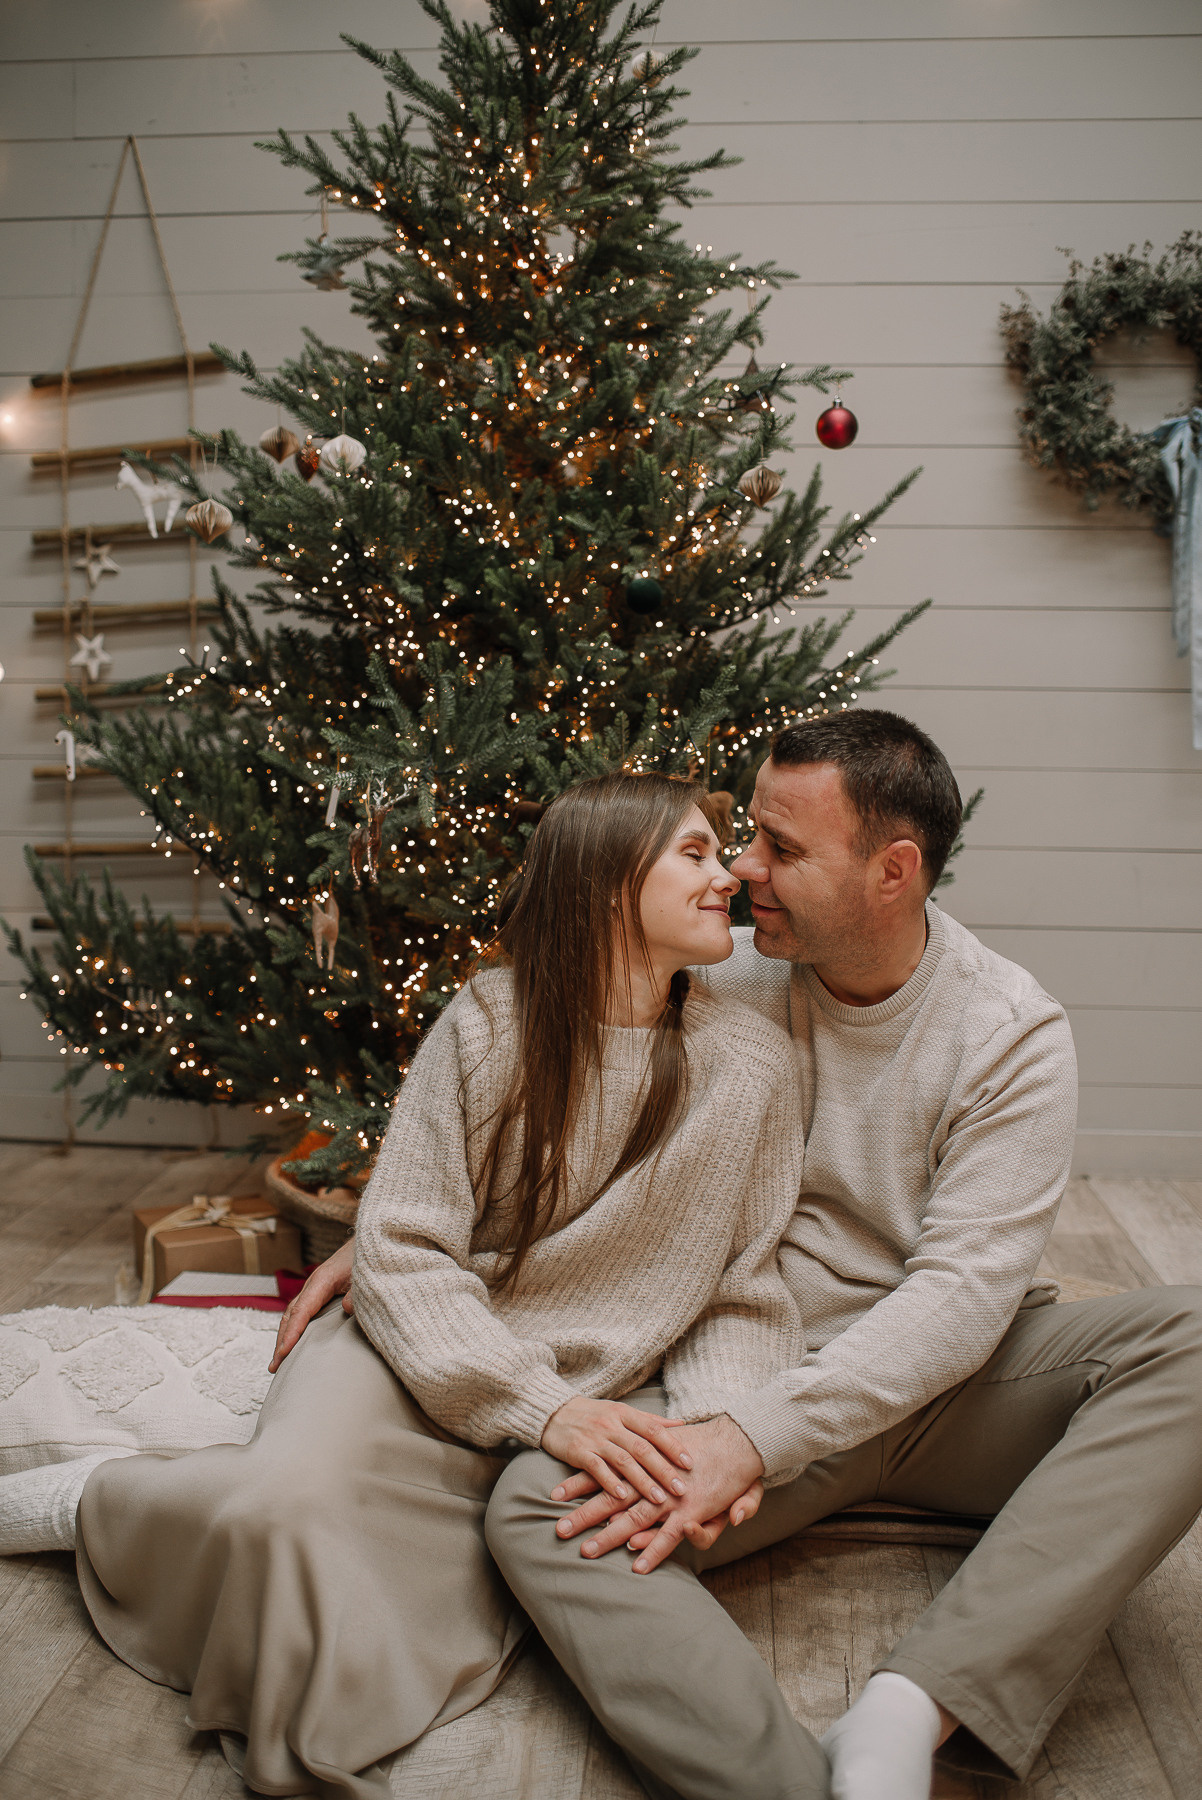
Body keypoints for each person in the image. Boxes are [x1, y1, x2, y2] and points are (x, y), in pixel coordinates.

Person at [0, 772, 816, 1799]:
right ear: (608, 884)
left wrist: (706, 1434)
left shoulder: (749, 1064)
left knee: (436, 1579)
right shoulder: (488, 1025)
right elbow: (404, 1246)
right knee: (277, 1514)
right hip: (417, 1352)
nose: (725, 880)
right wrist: (538, 1407)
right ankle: (90, 1502)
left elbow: (743, 1288)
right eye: (693, 855)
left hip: (588, 1397)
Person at [476, 711, 1202, 1800]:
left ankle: (911, 1705)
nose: (739, 867)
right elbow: (569, 1126)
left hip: (943, 1387)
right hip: (746, 1371)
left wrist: (750, 1444)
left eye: (779, 847)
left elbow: (960, 1301)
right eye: (746, 834)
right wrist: (447, 1245)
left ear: (892, 872)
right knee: (537, 1499)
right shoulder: (717, 975)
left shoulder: (1007, 1030)